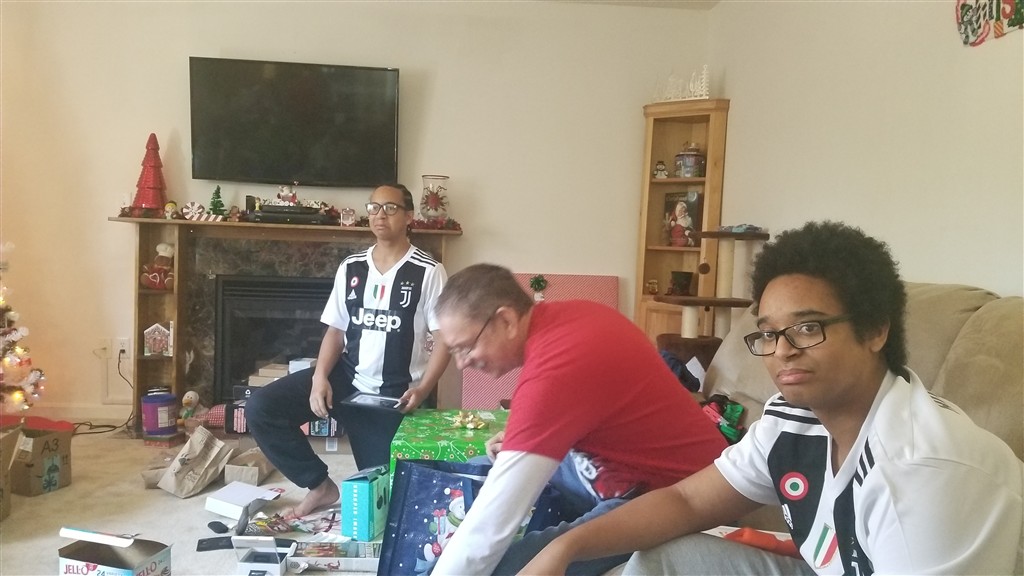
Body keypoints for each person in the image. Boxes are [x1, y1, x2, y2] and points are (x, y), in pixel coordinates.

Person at [520, 221, 1024, 576]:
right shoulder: (792, 419)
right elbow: (687, 500)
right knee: (662, 563)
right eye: (768, 333)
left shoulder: (923, 473)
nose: (782, 351)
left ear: (875, 330)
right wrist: (566, 548)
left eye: (807, 328)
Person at [430, 264, 728, 575]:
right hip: (622, 472)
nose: (461, 363)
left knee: (504, 567)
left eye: (465, 347)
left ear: (506, 320)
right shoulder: (574, 317)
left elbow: (491, 524)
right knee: (478, 466)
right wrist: (526, 440)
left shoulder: (556, 367)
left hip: (677, 496)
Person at [246, 184, 451, 519]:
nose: (380, 215)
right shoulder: (352, 267)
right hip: (346, 382)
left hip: (394, 397)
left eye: (390, 208)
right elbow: (336, 330)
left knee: (389, 505)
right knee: (261, 407)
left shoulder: (428, 271)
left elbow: (445, 339)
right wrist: (319, 378)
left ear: (409, 216)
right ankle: (319, 486)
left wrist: (424, 389)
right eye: (373, 207)